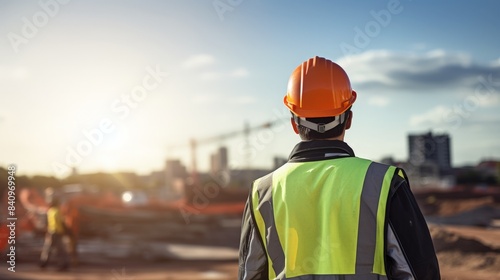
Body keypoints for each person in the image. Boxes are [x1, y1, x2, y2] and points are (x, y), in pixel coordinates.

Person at [238, 56, 440, 279]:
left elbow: (250, 274)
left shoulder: (262, 192)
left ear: (294, 123)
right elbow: (419, 273)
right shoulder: (384, 183)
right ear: (349, 119)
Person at [40, 197, 69, 271]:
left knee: (47, 248)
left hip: (50, 232)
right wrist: (66, 230)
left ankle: (43, 263)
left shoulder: (50, 211)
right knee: (60, 250)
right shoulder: (57, 211)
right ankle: (62, 264)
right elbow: (61, 222)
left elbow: (47, 222)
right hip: (57, 232)